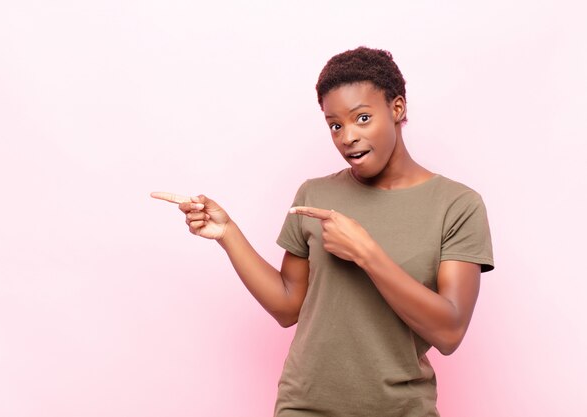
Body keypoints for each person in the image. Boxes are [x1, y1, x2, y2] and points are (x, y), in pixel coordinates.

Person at [152, 46, 494, 417]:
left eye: (362, 118)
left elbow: (449, 332)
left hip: (401, 409)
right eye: (335, 124)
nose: (347, 136)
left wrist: (366, 253)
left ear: (397, 109)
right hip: (305, 406)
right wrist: (228, 234)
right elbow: (287, 307)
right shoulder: (315, 195)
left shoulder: (457, 205)